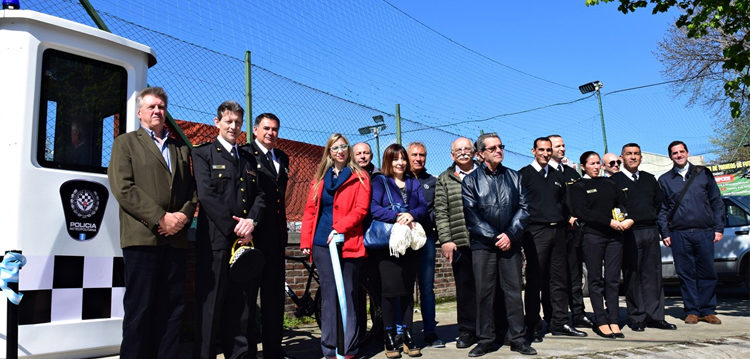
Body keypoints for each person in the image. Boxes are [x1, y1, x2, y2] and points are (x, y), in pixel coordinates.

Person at [107, 87, 197, 359]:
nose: (157, 111)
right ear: (139, 113)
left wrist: (182, 216)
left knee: (172, 308)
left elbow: (192, 190)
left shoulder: (179, 147)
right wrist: (160, 218)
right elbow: (123, 188)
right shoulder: (126, 143)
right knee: (140, 308)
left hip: (175, 240)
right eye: (151, 107)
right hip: (142, 239)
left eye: (161, 106)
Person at [193, 101, 265, 359]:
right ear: (217, 122)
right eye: (228, 121)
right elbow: (207, 196)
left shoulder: (247, 158)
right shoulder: (203, 154)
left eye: (237, 122)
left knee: (242, 307)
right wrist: (236, 227)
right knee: (211, 306)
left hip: (245, 242)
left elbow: (260, 196)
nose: (233, 127)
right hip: (216, 242)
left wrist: (252, 222)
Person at [462, 133, 535, 357]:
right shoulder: (470, 181)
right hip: (483, 246)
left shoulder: (514, 177)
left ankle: (518, 338)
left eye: (500, 146)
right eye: (492, 148)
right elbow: (471, 215)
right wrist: (495, 237)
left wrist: (510, 235)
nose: (498, 151)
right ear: (481, 154)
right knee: (484, 292)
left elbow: (524, 208)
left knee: (513, 292)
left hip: (510, 244)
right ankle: (485, 339)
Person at [300, 133, 371, 359]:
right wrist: (306, 241)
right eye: (335, 147)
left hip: (348, 242)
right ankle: (329, 348)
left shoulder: (360, 177)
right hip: (322, 244)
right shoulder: (320, 179)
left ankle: (349, 347)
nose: (340, 151)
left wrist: (339, 227)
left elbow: (360, 210)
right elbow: (311, 211)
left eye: (343, 146)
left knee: (348, 293)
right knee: (329, 295)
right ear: (329, 152)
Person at [519, 137, 586, 342]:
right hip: (535, 233)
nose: (546, 153)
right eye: (542, 150)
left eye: (549, 150)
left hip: (558, 233)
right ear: (533, 151)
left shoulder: (558, 176)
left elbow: (564, 205)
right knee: (535, 281)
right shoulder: (524, 175)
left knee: (559, 280)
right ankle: (532, 325)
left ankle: (559, 322)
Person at [611, 143, 677, 332]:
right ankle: (637, 317)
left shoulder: (649, 179)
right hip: (628, 233)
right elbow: (612, 207)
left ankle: (656, 316)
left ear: (641, 157)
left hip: (650, 231)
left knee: (653, 276)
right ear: (622, 157)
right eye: (629, 154)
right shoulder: (614, 181)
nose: (633, 157)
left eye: (636, 154)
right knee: (633, 276)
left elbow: (659, 204)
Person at [568, 151, 633, 339]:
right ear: (583, 166)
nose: (596, 167)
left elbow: (622, 203)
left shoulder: (610, 183)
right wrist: (608, 222)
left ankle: (614, 319)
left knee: (612, 280)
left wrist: (627, 219)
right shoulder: (578, 186)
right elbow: (582, 212)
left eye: (598, 163)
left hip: (615, 238)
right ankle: (601, 321)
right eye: (592, 164)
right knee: (595, 281)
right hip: (592, 237)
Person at [370, 143, 427, 358]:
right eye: (395, 159)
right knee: (389, 291)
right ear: (388, 161)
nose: (400, 162)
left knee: (406, 290)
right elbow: (373, 208)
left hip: (410, 245)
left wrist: (411, 215)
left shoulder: (413, 182)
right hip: (389, 246)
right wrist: (396, 217)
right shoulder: (380, 181)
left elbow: (423, 207)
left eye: (403, 158)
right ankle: (389, 336)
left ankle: (407, 334)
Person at [657, 141, 724, 325]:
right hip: (679, 234)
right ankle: (692, 310)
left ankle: (708, 310)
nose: (678, 155)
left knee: (707, 272)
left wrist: (718, 228)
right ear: (670, 156)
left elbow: (716, 202)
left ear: (687, 152)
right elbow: (662, 210)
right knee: (686, 273)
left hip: (705, 231)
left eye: (681, 151)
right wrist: (665, 233)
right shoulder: (664, 180)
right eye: (674, 153)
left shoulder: (703, 174)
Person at [246, 112, 293, 358]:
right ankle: (249, 351)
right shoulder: (245, 154)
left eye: (274, 129)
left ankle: (274, 350)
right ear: (255, 130)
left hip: (276, 235)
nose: (270, 133)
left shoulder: (282, 157)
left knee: (274, 297)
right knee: (249, 297)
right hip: (254, 235)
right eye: (266, 128)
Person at [434, 137, 478, 349]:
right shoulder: (444, 178)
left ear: (474, 152)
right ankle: (468, 331)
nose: (463, 152)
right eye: (458, 150)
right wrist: (446, 240)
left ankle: (493, 328)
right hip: (460, 243)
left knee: (491, 288)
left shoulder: (485, 173)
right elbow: (441, 212)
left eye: (466, 149)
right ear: (452, 155)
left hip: (485, 241)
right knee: (465, 288)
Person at [548, 134, 593, 329]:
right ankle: (554, 317)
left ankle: (578, 313)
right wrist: (566, 218)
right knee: (555, 278)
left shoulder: (572, 173)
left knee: (575, 276)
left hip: (575, 234)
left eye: (564, 145)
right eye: (558, 146)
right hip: (556, 233)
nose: (563, 149)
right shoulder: (544, 173)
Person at [406, 141, 445, 348]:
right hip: (403, 241)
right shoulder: (398, 179)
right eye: (414, 155)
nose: (418, 158)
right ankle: (405, 333)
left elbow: (438, 210)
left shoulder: (433, 181)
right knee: (404, 288)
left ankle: (430, 332)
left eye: (422, 155)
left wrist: (436, 232)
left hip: (427, 240)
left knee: (427, 288)